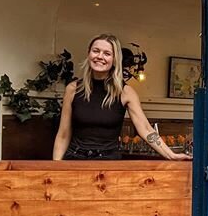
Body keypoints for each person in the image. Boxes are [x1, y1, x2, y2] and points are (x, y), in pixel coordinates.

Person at [53, 33, 192, 161]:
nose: (100, 56)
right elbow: (63, 134)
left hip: (108, 162)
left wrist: (171, 155)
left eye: (107, 53)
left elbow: (145, 128)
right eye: (96, 51)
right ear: (89, 54)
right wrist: (55, 168)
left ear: (114, 60)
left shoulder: (125, 92)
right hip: (75, 159)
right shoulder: (73, 89)